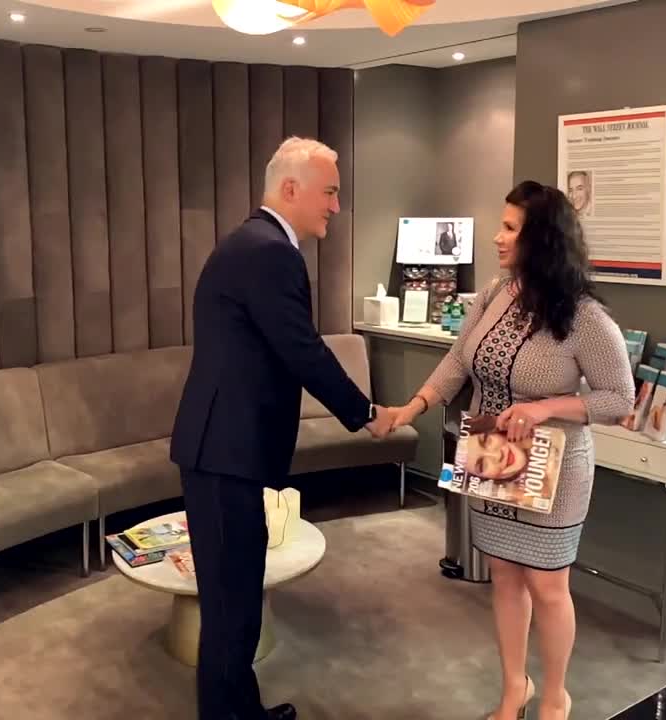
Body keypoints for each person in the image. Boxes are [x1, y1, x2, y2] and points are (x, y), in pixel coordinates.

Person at [170, 136, 396, 720]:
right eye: (330, 192)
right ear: (290, 189)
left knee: (238, 602)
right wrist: (364, 412)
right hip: (226, 454)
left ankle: (242, 712)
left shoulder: (254, 245)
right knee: (230, 608)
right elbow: (302, 349)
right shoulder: (269, 252)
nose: (336, 207)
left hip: (225, 451)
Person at [392, 180, 634, 720]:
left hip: (556, 466)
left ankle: (555, 697)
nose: (497, 239)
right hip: (489, 451)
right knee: (502, 574)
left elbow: (620, 397)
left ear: (542, 240)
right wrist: (412, 407)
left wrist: (547, 408)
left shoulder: (584, 316)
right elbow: (458, 362)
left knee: (548, 587)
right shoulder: (493, 294)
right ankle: (513, 688)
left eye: (509, 228)